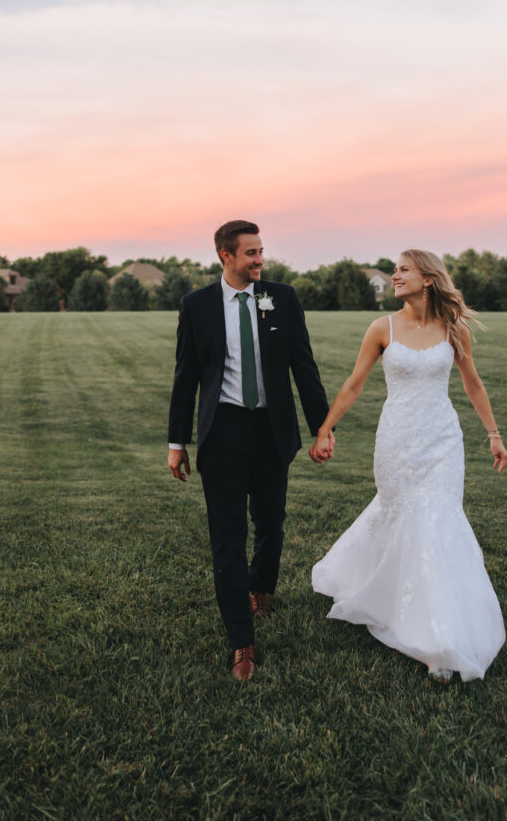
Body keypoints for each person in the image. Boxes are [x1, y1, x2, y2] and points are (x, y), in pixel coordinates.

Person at [310, 249, 507, 682]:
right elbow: (354, 384)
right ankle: (382, 593)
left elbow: (472, 384)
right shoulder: (382, 328)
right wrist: (325, 429)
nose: (395, 275)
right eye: (395, 270)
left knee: (437, 519)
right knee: (401, 513)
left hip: (441, 440)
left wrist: (493, 434)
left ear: (429, 279)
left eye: (403, 269)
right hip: (397, 439)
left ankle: (439, 638)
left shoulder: (453, 331)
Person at [168, 220, 333, 680]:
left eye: (262, 251)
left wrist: (323, 427)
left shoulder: (282, 297)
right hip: (222, 431)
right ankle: (242, 641)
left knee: (272, 521)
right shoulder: (197, 306)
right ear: (226, 256)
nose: (260, 260)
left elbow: (304, 365)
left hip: (270, 428)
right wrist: (176, 441)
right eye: (250, 254)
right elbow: (185, 379)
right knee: (226, 536)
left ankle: (261, 586)